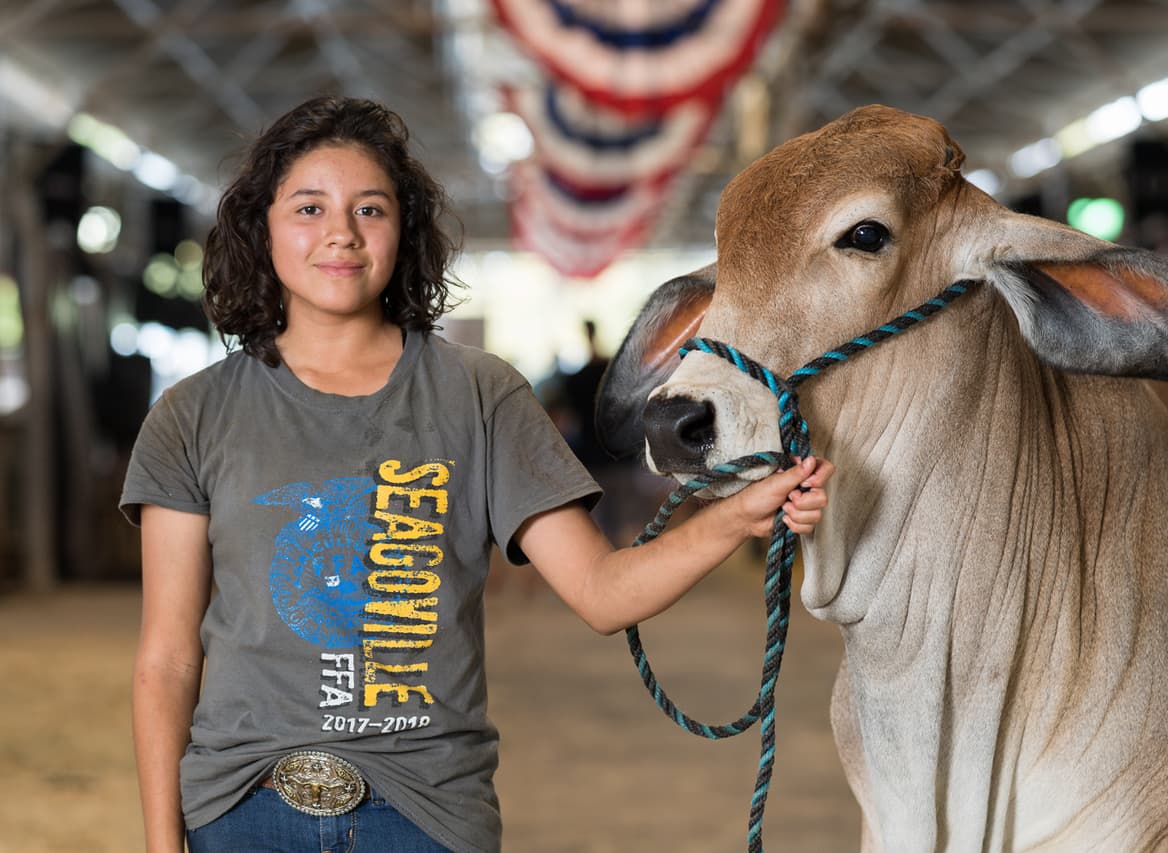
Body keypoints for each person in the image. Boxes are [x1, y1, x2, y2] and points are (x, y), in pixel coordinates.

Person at [121, 95, 832, 853]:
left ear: (404, 230)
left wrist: (736, 514)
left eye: (371, 208)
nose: (341, 232)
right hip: (241, 814)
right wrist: (165, 844)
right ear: (262, 226)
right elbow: (167, 659)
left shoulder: (479, 394)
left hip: (424, 817)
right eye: (308, 207)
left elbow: (602, 593)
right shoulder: (191, 414)